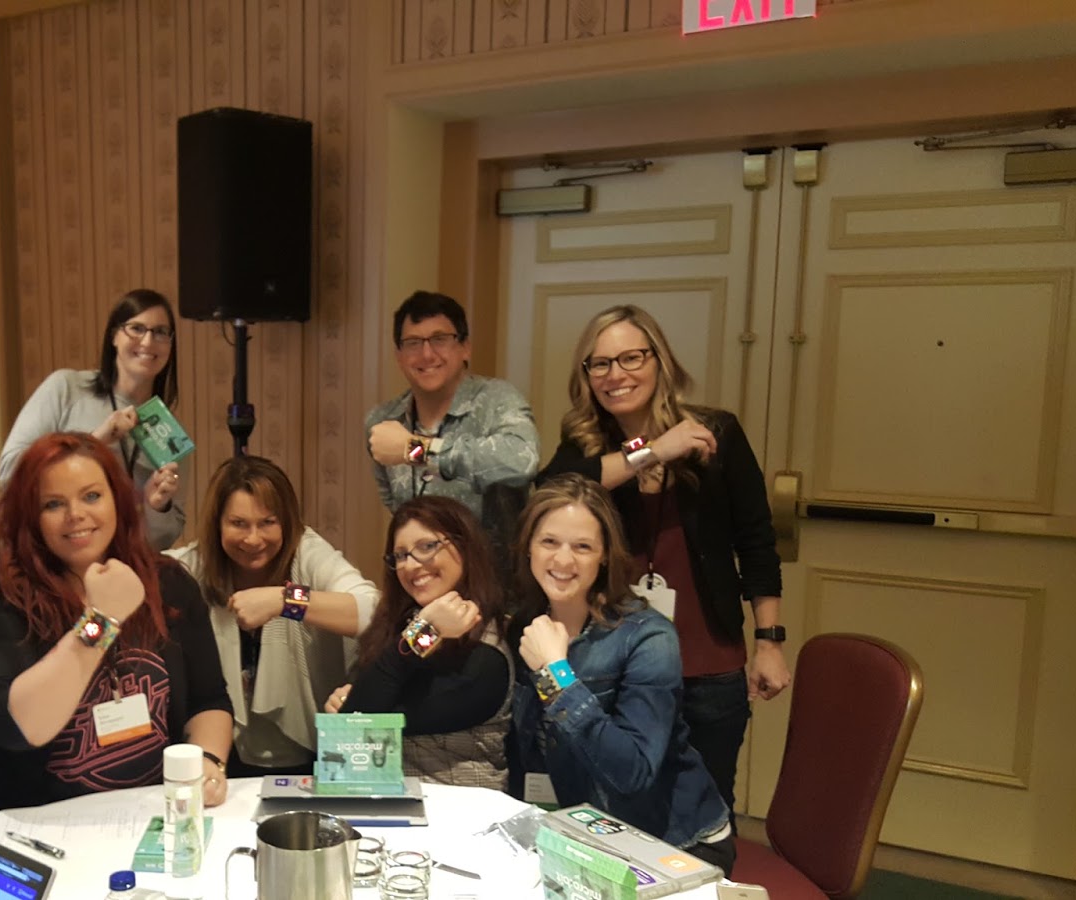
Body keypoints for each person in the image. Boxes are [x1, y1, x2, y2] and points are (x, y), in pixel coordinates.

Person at [538, 304, 790, 817]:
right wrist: (653, 451)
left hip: (708, 662)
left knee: (706, 811)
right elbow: (555, 489)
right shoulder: (587, 444)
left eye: (631, 358)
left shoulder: (717, 433)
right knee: (618, 810)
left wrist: (769, 642)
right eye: (600, 364)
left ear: (660, 360)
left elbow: (757, 541)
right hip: (617, 661)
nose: (616, 375)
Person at [0, 433, 233, 825]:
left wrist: (207, 760)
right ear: (30, 517)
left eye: (91, 496)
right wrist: (100, 622)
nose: (76, 515)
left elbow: (208, 699)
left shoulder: (167, 582)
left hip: (145, 816)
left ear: (118, 500)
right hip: (23, 824)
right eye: (53, 504)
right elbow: (11, 728)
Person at [511, 473, 736, 874]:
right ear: (528, 546)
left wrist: (557, 676)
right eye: (549, 542)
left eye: (582, 547)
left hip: (672, 845)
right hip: (585, 835)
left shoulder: (649, 638)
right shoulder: (527, 626)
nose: (562, 560)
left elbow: (632, 773)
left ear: (604, 555)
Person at [166, 456, 379, 775]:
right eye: (238, 523)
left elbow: (373, 610)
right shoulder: (193, 565)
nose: (253, 539)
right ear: (217, 523)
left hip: (313, 752)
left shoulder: (307, 552)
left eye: (268, 522)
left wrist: (285, 601)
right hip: (220, 751)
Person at [325, 496, 512, 790]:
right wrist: (347, 699)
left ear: (464, 546)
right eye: (400, 555)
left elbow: (362, 722)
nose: (410, 565)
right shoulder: (398, 622)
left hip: (459, 807)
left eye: (426, 547)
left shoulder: (487, 655)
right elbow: (354, 720)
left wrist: (424, 631)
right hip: (389, 800)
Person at [0, 290, 186, 550]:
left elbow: (162, 541)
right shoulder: (66, 387)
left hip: (120, 564)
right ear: (114, 336)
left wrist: (157, 507)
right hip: (50, 556)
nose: (148, 341)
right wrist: (96, 441)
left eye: (161, 332)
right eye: (136, 328)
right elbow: (10, 474)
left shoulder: (167, 431)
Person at [364, 291, 540, 533]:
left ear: (465, 348)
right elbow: (398, 513)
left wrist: (414, 449)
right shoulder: (383, 422)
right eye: (413, 343)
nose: (427, 354)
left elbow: (522, 462)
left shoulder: (497, 400)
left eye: (440, 339)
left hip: (494, 558)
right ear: (399, 357)